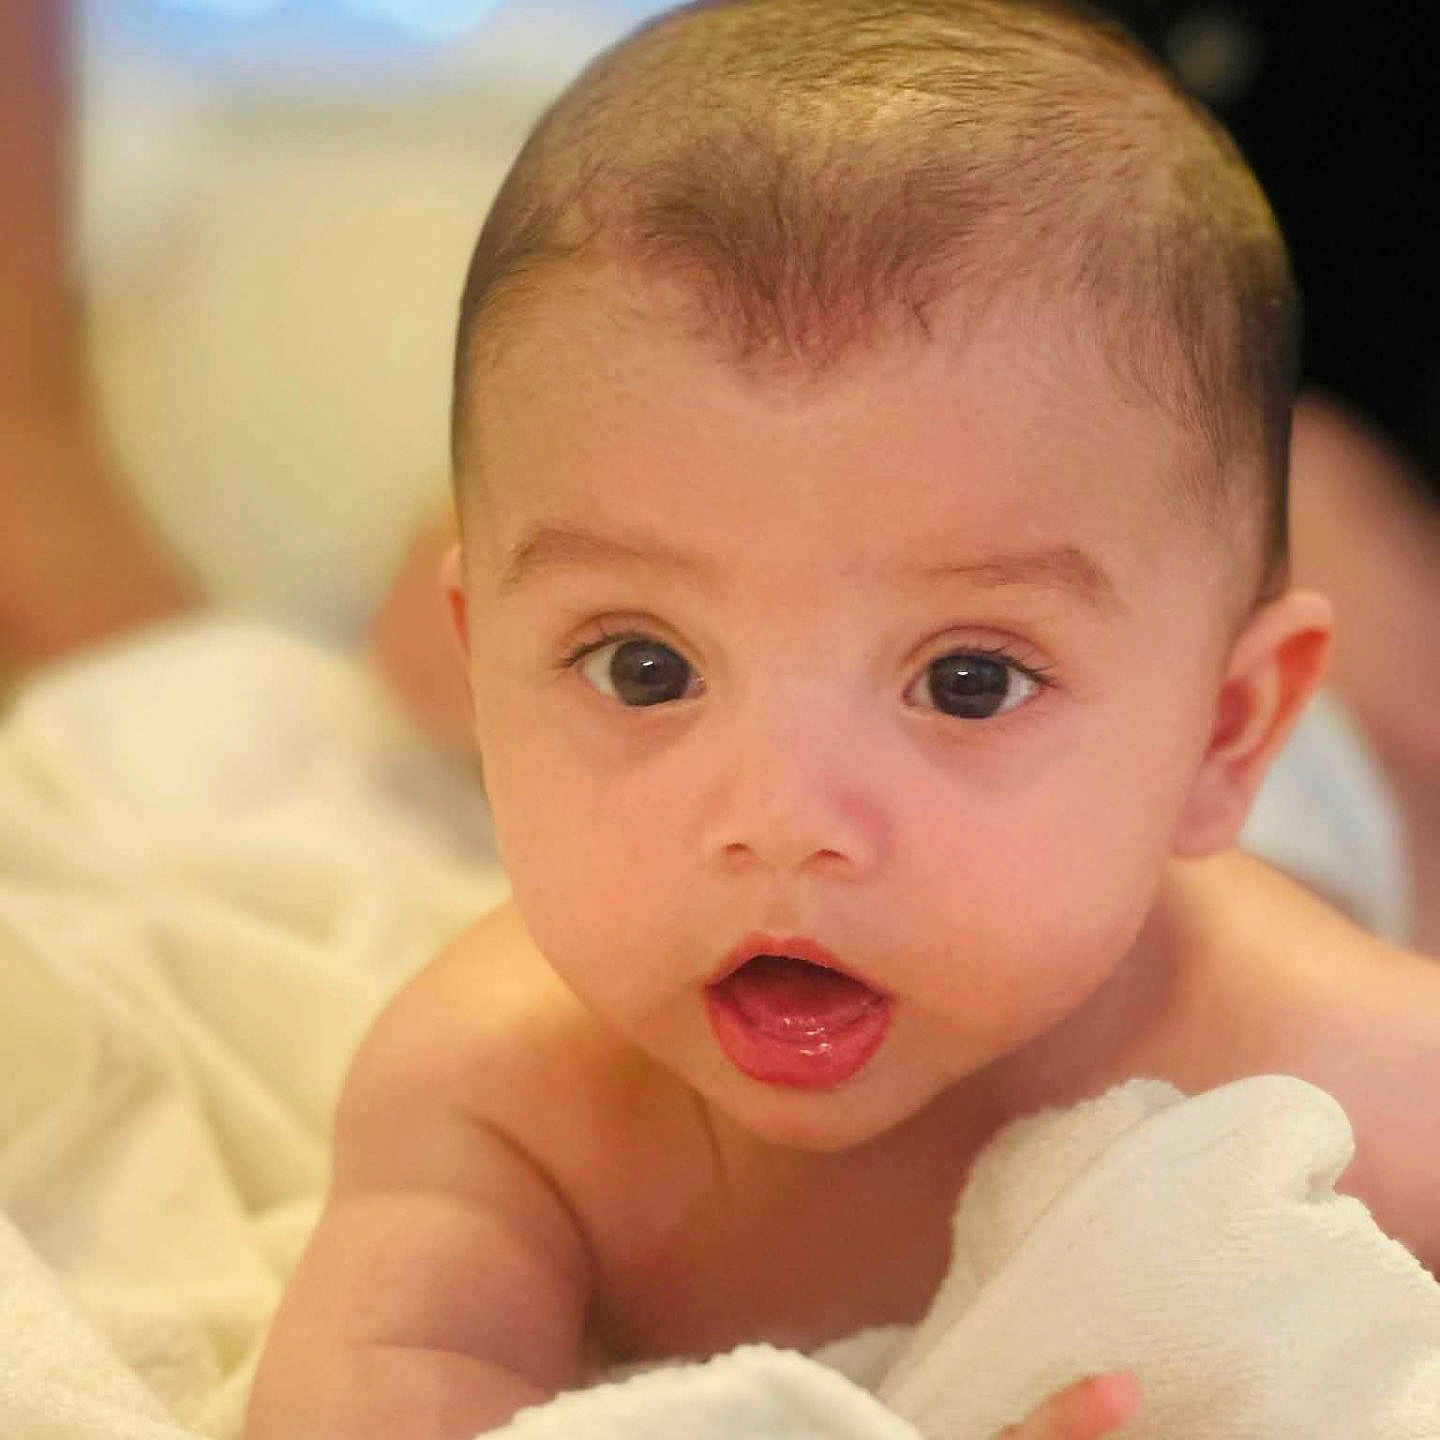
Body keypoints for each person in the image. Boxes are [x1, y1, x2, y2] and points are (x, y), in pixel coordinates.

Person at [239, 1, 1440, 1437]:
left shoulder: (1323, 1068)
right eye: (643, 667)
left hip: (1294, 799)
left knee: (1387, 691)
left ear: (1222, 735)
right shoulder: (498, 1098)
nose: (783, 820)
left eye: (968, 680)